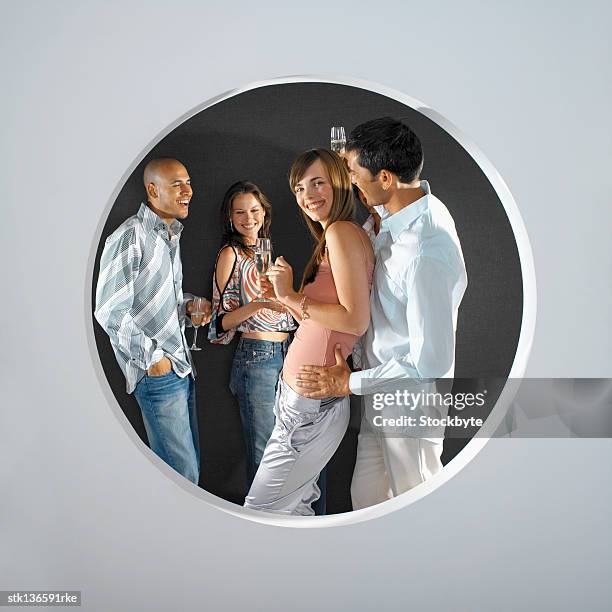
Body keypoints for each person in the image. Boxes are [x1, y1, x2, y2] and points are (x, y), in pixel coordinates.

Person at [295, 118, 468, 509]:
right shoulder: (390, 215)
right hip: (378, 392)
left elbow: (431, 362)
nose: (349, 183)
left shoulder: (426, 248)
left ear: (387, 177)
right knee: (367, 503)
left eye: (354, 174)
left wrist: (349, 385)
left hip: (409, 403)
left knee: (419, 507)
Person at [244, 149, 375, 515]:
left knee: (259, 512)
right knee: (296, 510)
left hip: (308, 408)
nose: (308, 195)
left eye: (318, 183)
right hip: (304, 402)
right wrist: (285, 300)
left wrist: (290, 295)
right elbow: (324, 321)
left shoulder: (341, 233)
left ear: (339, 182)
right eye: (300, 188)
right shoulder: (339, 235)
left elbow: (354, 320)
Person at [95, 158, 210, 484]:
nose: (188, 191)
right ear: (152, 189)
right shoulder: (131, 236)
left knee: (186, 477)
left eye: (188, 182)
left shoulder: (169, 235)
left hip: (182, 368)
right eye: (178, 184)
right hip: (159, 374)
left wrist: (188, 307)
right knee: (182, 478)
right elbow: (109, 310)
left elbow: (159, 300)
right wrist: (153, 358)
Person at [208, 181, 296, 489]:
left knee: (290, 451)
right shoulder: (230, 254)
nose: (249, 218)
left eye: (255, 210)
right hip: (256, 357)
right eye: (240, 212)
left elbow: (282, 311)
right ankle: (262, 528)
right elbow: (219, 324)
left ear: (264, 213)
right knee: (264, 455)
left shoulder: (267, 251)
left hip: (288, 354)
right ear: (230, 217)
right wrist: (257, 303)